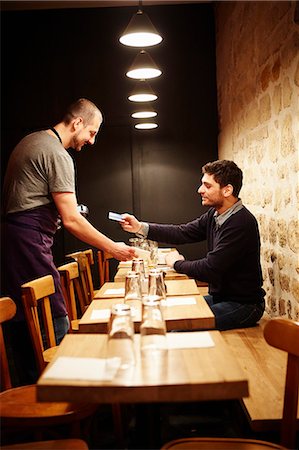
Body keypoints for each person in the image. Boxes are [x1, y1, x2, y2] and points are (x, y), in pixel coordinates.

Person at [1, 98, 135, 384]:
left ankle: (32, 387)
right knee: (53, 315)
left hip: (15, 240)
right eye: (92, 132)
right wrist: (113, 248)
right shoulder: (58, 154)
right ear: (77, 123)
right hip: (28, 242)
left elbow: (31, 203)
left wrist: (56, 216)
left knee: (25, 320)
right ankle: (62, 390)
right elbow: (72, 219)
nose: (92, 141)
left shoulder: (32, 140)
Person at [120, 159, 265, 331]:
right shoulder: (215, 215)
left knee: (177, 325)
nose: (200, 190)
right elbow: (183, 232)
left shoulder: (241, 223)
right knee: (167, 312)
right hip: (221, 298)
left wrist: (176, 263)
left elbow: (210, 269)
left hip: (244, 306)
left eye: (207, 186)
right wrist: (140, 227)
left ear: (227, 190)